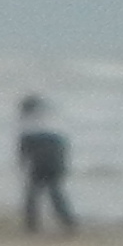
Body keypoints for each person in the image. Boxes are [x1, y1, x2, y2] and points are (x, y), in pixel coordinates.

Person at [18, 96, 76, 234]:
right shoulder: (52, 120)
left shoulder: (27, 123)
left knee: (32, 193)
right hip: (56, 155)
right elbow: (63, 144)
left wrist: (22, 163)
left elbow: (23, 148)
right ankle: (68, 222)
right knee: (56, 191)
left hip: (39, 157)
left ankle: (31, 226)